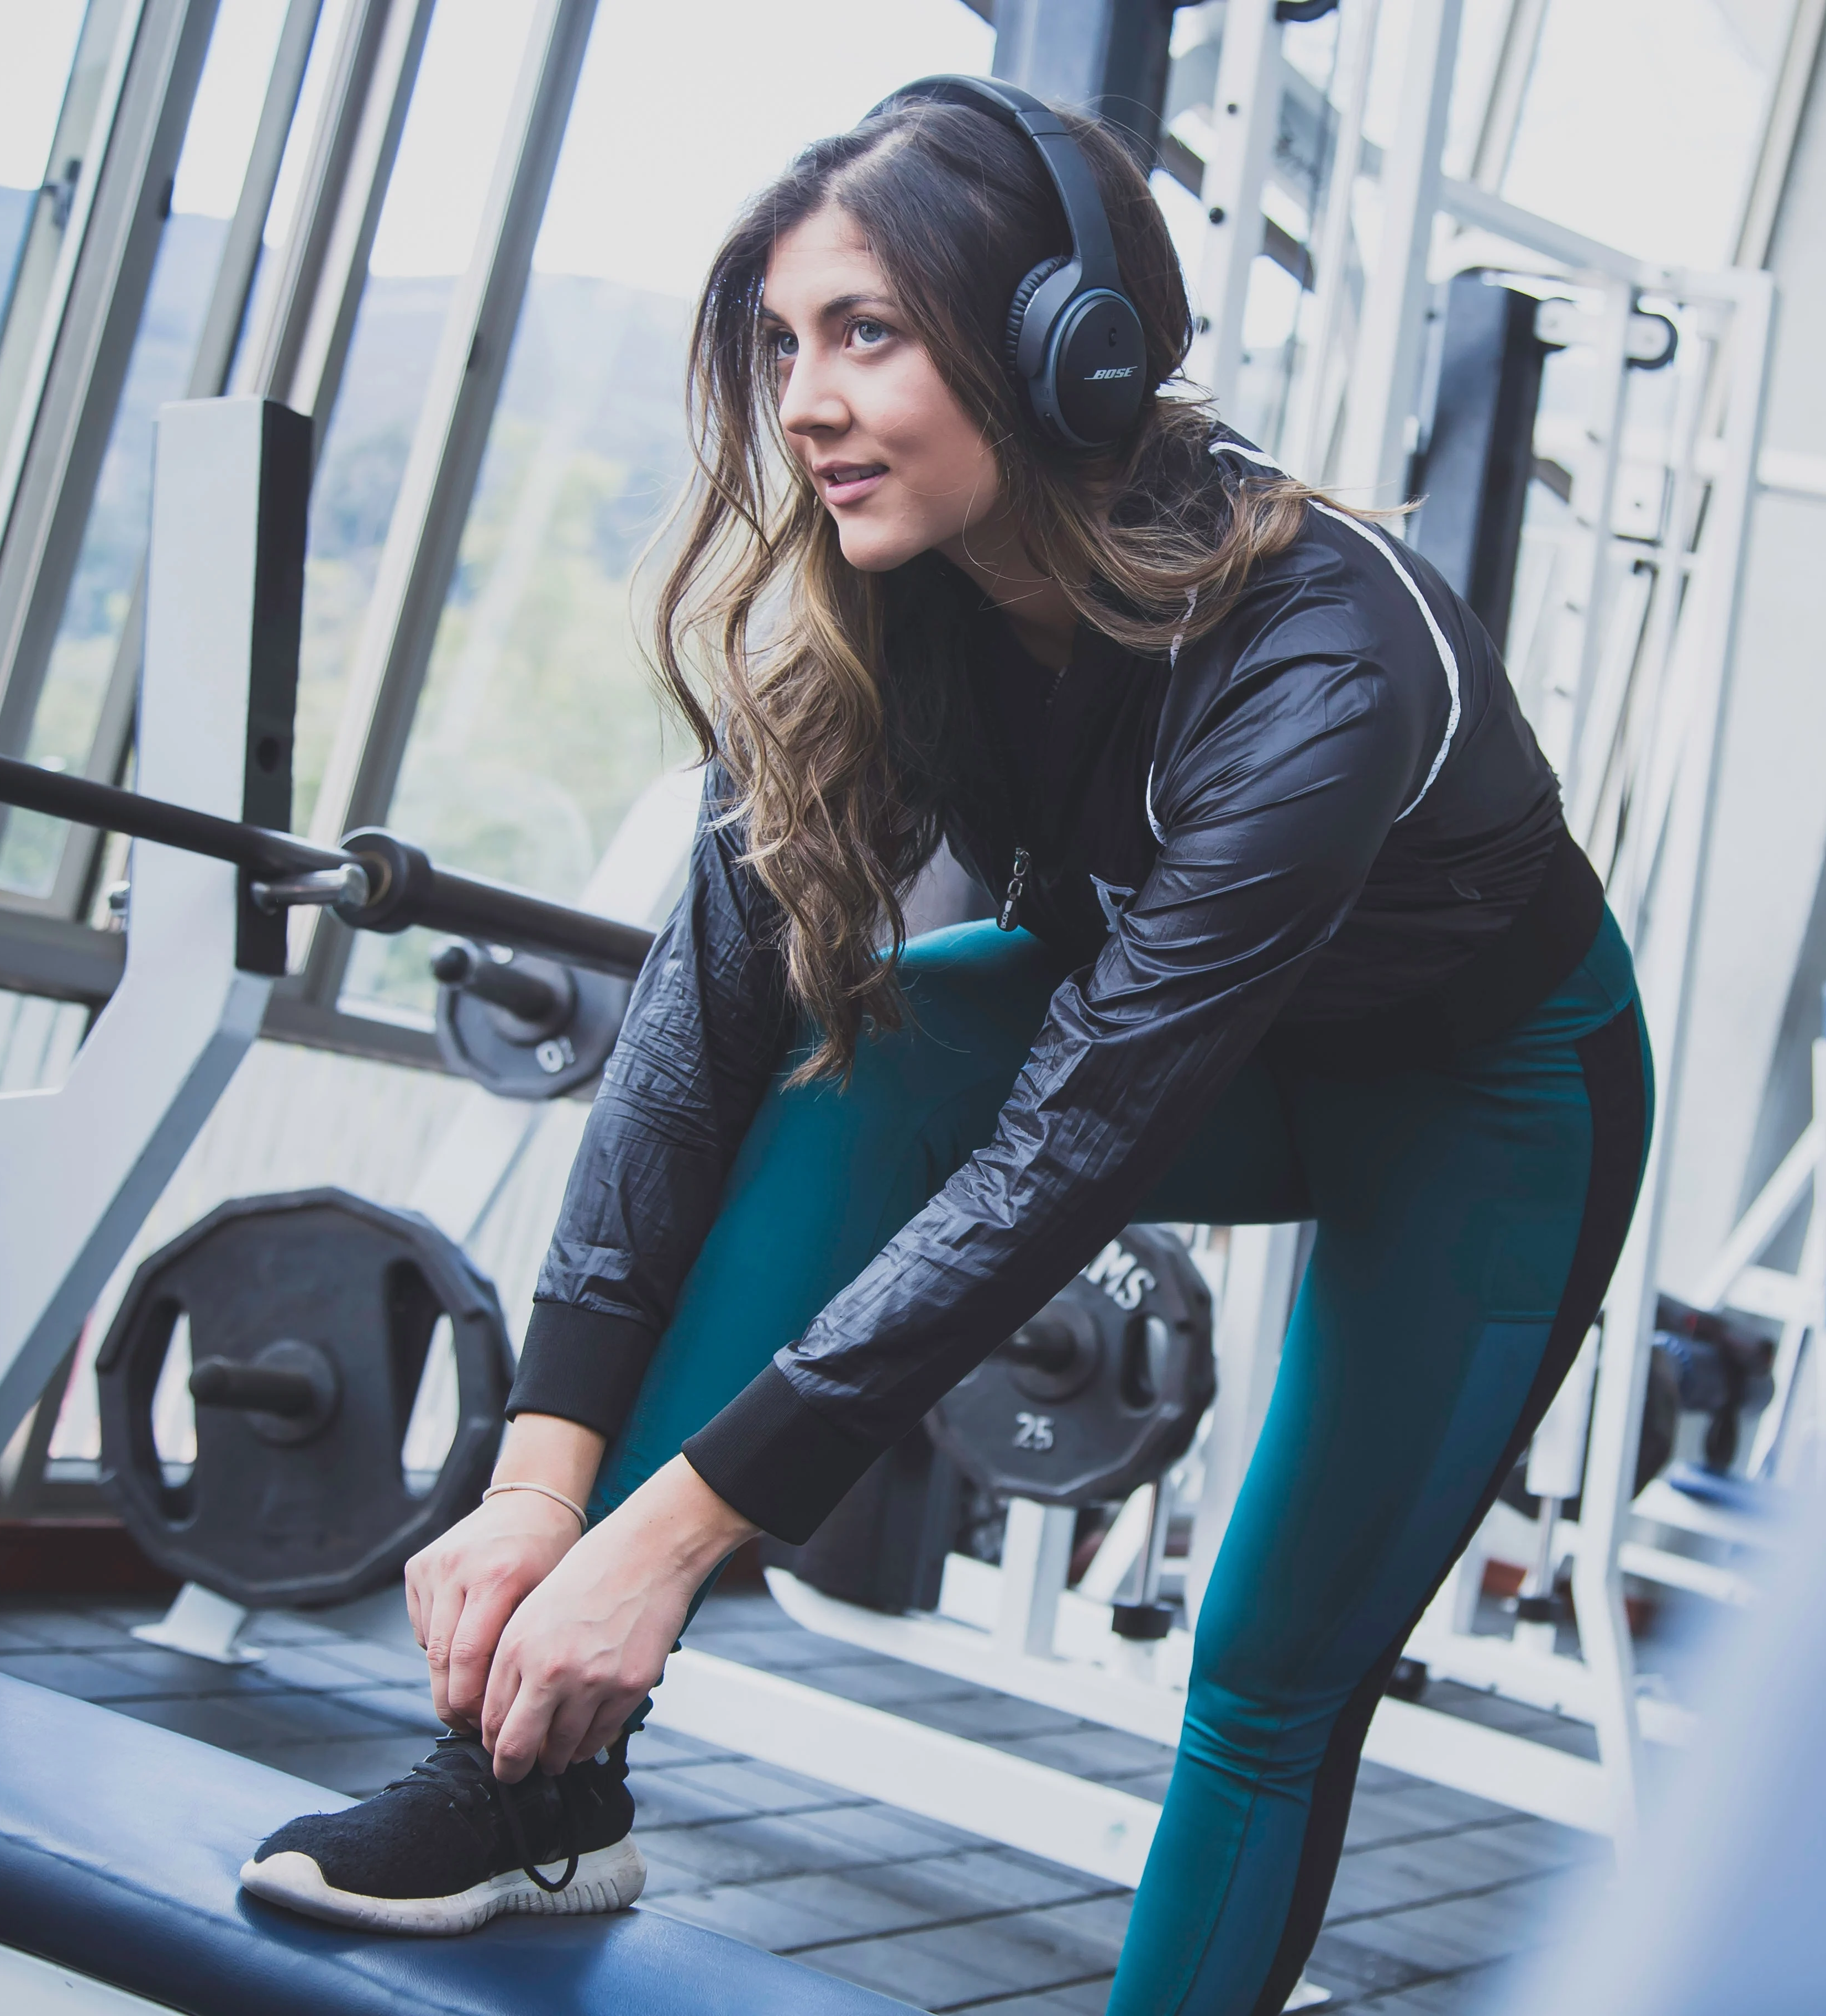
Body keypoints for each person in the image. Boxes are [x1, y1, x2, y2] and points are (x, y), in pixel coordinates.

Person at [236, 77, 1648, 2015]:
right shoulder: (885, 597)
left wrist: (666, 1550)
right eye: (785, 343)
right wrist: (542, 1487)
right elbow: (693, 1041)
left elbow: (1081, 1146)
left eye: (867, 332)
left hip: (1488, 1104)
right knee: (850, 1047)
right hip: (1172, 1047)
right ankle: (530, 1804)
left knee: (1263, 1671)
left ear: (1069, 355)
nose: (803, 398)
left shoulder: (1330, 650)